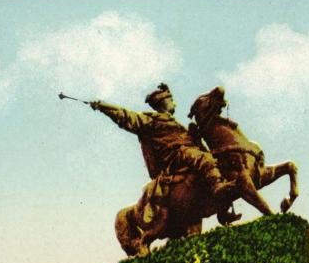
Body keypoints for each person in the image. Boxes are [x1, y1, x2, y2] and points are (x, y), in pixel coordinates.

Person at [90, 83, 236, 199]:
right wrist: (103, 106)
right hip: (176, 157)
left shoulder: (173, 121)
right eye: (171, 100)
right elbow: (125, 116)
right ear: (163, 102)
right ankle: (217, 185)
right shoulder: (150, 121)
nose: (175, 104)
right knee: (202, 158)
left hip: (187, 153)